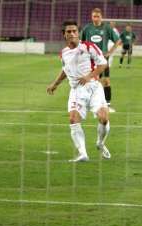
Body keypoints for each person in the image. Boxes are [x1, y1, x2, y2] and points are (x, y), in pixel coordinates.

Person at [47, 20, 111, 162]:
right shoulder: (63, 53)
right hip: (76, 90)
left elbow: (103, 64)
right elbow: (65, 70)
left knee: (104, 118)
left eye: (74, 31)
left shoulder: (89, 47)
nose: (72, 34)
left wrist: (89, 76)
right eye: (68, 31)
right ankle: (83, 154)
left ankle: (100, 143)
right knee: (73, 119)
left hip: (94, 87)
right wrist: (55, 84)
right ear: (64, 34)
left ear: (78, 33)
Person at [81, 8, 121, 113]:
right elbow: (81, 42)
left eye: (98, 16)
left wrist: (109, 52)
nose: (96, 18)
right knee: (91, 81)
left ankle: (107, 104)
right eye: (94, 16)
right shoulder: (87, 28)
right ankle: (90, 104)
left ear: (101, 17)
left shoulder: (107, 28)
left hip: (103, 59)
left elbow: (118, 40)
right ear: (91, 17)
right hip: (89, 59)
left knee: (106, 81)